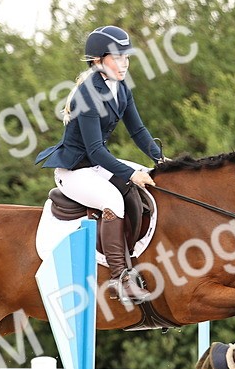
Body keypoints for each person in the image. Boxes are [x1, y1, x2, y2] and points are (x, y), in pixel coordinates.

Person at [35, 25, 162, 304]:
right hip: (75, 171)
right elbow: (95, 150)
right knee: (113, 201)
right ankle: (120, 278)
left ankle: (136, 254)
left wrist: (159, 159)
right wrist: (130, 173)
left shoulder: (121, 88)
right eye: (117, 57)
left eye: (126, 57)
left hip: (96, 164)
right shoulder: (87, 95)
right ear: (97, 61)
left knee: (152, 178)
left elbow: (138, 131)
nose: (124, 63)